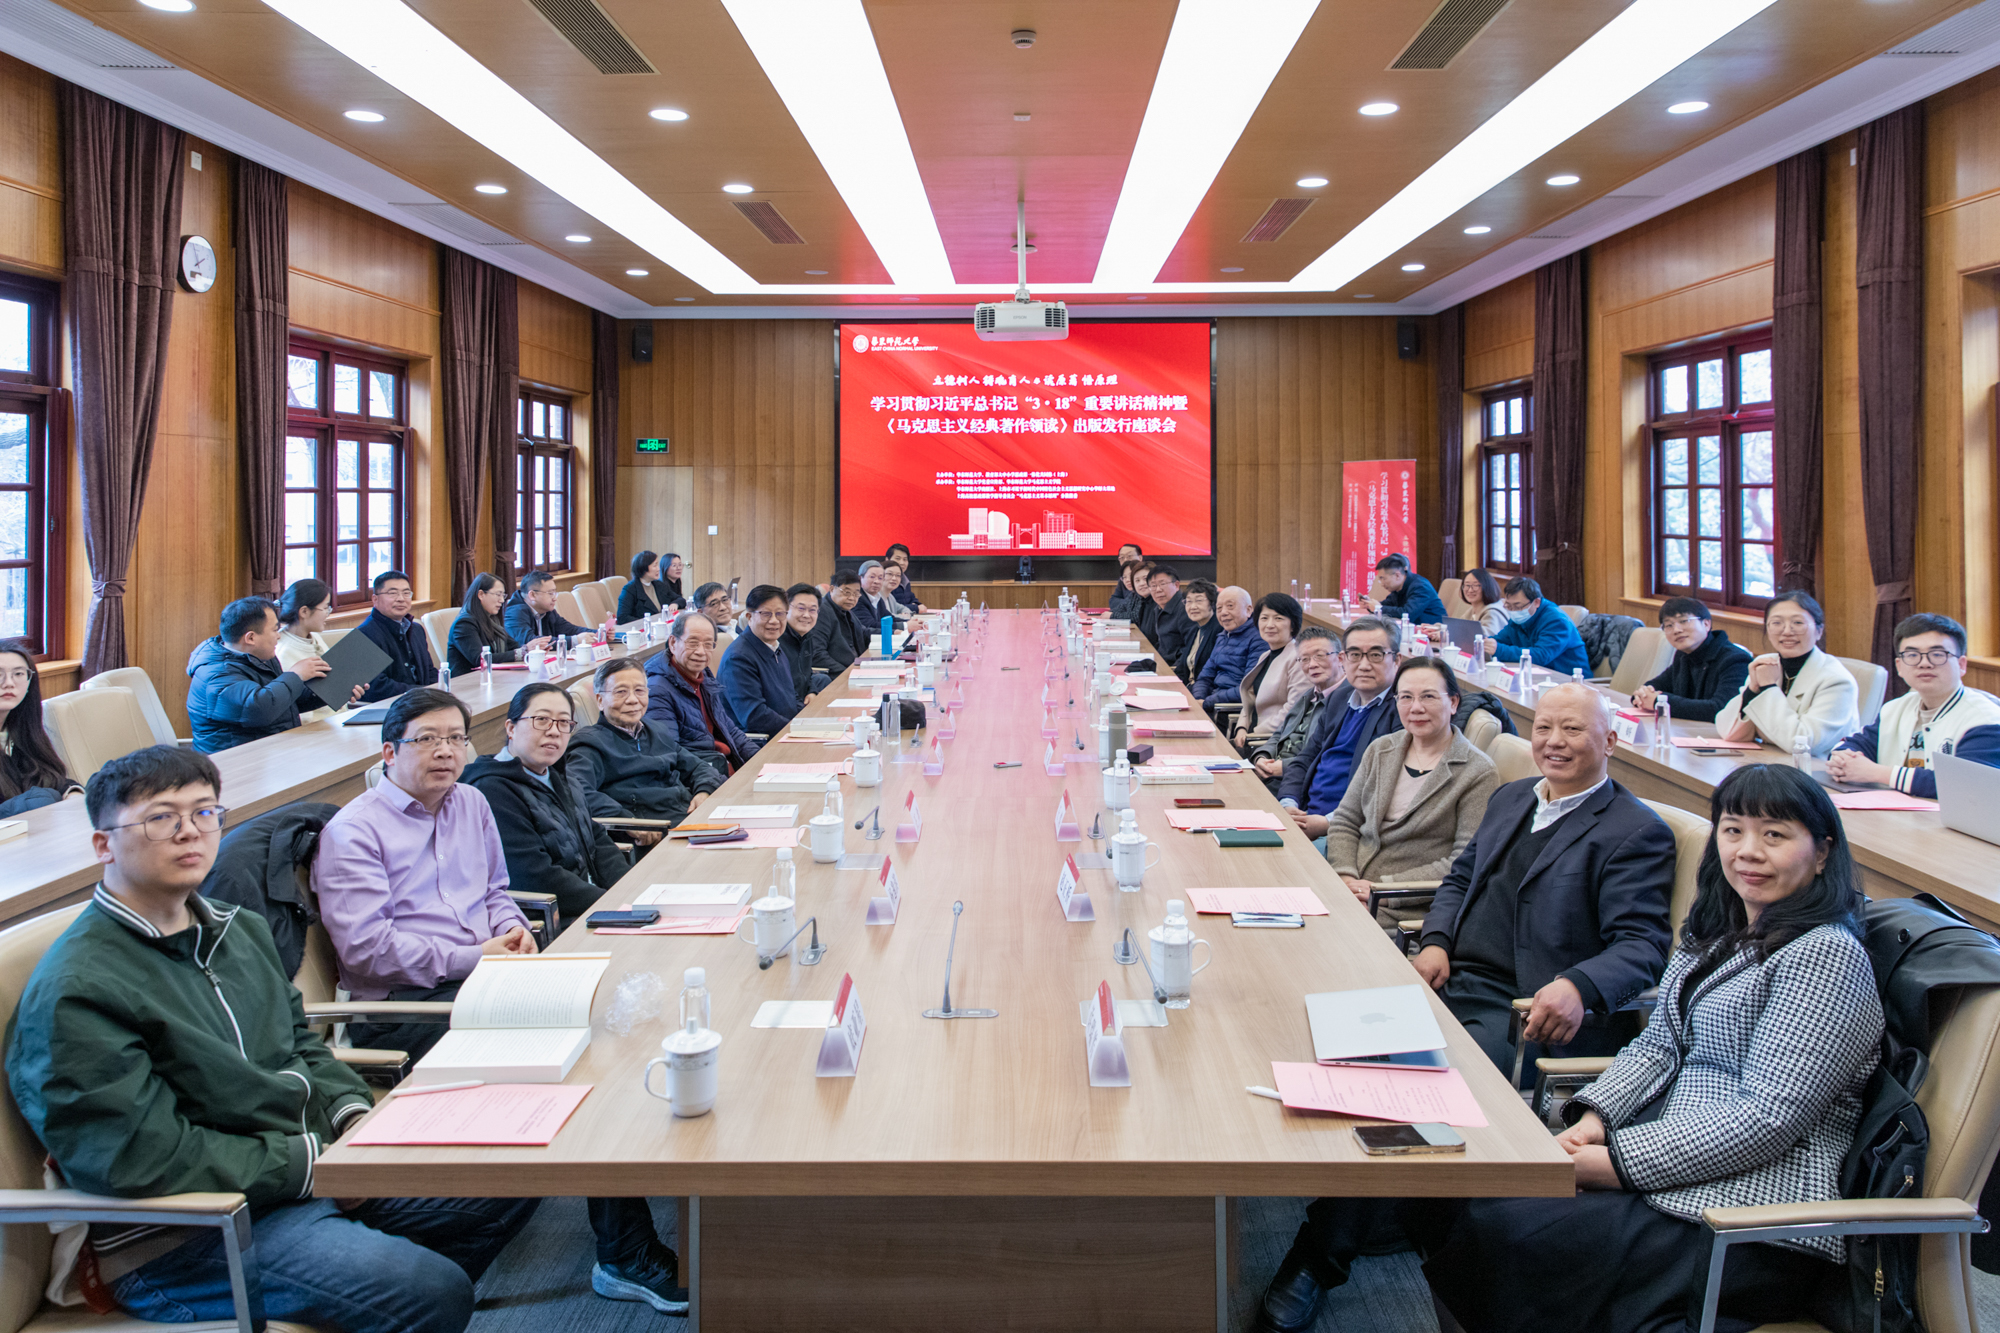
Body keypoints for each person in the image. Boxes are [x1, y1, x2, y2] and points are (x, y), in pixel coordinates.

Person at [1260, 763, 1881, 1333]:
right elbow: (1657, 1047)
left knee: (1504, 1232)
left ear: (1823, 852)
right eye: (1734, 830)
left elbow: (1766, 1119)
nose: (1748, 851)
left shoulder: (1825, 955)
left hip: (1746, 1213)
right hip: (1668, 1162)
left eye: (1775, 836)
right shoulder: (1721, 932)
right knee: (1455, 1203)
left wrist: (1614, 1162)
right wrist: (1594, 1119)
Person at [5, 744, 539, 1333]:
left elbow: (301, 1044)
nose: (190, 832)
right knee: (429, 1290)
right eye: (161, 818)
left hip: (297, 1172)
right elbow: (139, 1158)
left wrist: (351, 1117)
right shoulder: (78, 987)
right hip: (188, 1235)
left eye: (204, 812)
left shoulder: (236, 929)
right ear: (103, 845)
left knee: (509, 1176)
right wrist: (312, 1163)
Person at [313, 689, 688, 1315]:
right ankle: (624, 1254)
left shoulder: (471, 803)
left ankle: (631, 1215)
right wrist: (476, 956)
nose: (445, 752)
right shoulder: (354, 831)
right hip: (406, 1007)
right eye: (426, 740)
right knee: (586, 1061)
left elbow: (494, 891)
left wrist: (513, 928)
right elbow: (368, 952)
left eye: (455, 739)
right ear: (389, 751)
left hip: (487, 978)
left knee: (614, 1021)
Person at [1413, 682, 1674, 1078]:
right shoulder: (1511, 797)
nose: (1554, 741)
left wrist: (1578, 986)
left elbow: (1643, 945)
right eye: (1543, 728)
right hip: (1451, 978)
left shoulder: (1636, 831)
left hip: (1527, 1010)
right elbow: (1461, 879)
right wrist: (1435, 941)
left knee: (1436, 1076)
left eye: (1572, 729)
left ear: (1609, 742)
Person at [1325, 657, 1500, 919]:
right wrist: (1346, 878)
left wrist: (1381, 891)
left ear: (1453, 703)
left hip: (1405, 907)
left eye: (1428, 696)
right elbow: (1345, 821)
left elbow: (1464, 861)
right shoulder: (1381, 749)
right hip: (1350, 890)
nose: (1416, 708)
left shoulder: (1478, 771)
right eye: (1406, 697)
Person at [462, 682, 631, 920]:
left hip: (594, 904)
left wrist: (630, 891)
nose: (554, 731)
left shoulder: (558, 774)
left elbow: (596, 839)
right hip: (554, 919)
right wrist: (612, 904)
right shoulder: (492, 790)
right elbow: (534, 876)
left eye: (564, 722)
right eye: (541, 720)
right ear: (511, 728)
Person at [1827, 612, 2000, 795]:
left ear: (1961, 665)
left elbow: (1967, 783)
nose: (1924, 663)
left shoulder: (1986, 719)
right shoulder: (1894, 708)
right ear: (1899, 666)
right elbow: (1855, 744)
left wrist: (1877, 773)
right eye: (1912, 655)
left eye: (1937, 654)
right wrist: (1842, 759)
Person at [570, 657, 723, 839]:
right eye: (621, 692)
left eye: (639, 691)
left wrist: (704, 791)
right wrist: (625, 820)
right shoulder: (588, 744)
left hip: (688, 818)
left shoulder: (656, 731)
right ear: (600, 700)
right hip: (652, 832)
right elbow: (577, 791)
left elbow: (698, 767)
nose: (633, 700)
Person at [1278, 617, 1403, 837]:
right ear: (1343, 659)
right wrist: (1288, 803)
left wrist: (1328, 823)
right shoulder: (1339, 698)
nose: (1364, 665)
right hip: (1305, 815)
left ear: (1396, 660)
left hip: (1348, 829)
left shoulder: (1403, 710)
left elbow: (1387, 791)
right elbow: (1306, 758)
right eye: (1355, 655)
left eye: (1375, 655)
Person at [186, 596, 356, 753]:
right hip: (233, 764)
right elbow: (260, 709)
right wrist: (295, 675)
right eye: (275, 630)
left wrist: (335, 689)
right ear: (251, 638)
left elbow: (285, 702)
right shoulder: (216, 674)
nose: (279, 636)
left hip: (271, 752)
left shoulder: (260, 656)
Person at [1715, 590, 1860, 758]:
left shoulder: (1837, 680)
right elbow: (1730, 733)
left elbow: (1803, 744)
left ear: (1819, 631)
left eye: (1798, 623)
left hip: (1816, 767)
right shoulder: (1765, 664)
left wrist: (1768, 688)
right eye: (1777, 623)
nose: (1787, 631)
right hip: (1770, 760)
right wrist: (1752, 690)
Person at [646, 610, 760, 781]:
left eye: (708, 644)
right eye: (693, 643)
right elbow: (670, 755)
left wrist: (761, 760)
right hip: (704, 778)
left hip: (724, 768)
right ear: (673, 643)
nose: (701, 652)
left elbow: (730, 730)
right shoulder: (657, 690)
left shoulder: (703, 676)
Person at [1630, 595, 1752, 723]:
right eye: (1669, 625)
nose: (1676, 630)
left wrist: (1659, 702)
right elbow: (1656, 685)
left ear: (1706, 624)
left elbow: (1721, 709)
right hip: (1691, 730)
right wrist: (1641, 695)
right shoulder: (1683, 655)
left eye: (1684, 621)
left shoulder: (1735, 660)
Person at [1247, 626, 1342, 789]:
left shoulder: (1348, 701)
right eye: (1304, 659)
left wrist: (1284, 767)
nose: (1312, 665)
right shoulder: (1308, 694)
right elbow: (1280, 733)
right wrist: (1262, 756)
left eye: (1319, 656)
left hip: (1300, 783)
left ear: (1341, 658)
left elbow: (1331, 758)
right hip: (1273, 774)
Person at [0, 638, 81, 816]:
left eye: (18, 674)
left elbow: (50, 777)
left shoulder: (18, 732)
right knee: (41, 799)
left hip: (31, 827)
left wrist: (72, 793)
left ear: (30, 681)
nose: (9, 683)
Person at [1232, 592, 1311, 752]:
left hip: (1271, 742)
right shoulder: (1266, 655)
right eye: (1264, 618)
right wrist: (1241, 727)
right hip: (1250, 737)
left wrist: (1254, 733)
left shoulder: (1299, 658)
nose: (1269, 625)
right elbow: (1250, 698)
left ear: (1293, 624)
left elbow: (1294, 710)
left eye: (1278, 618)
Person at [719, 584, 802, 736]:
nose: (774, 621)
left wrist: (809, 721)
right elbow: (754, 717)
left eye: (780, 614)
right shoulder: (738, 658)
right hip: (759, 742)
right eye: (766, 614)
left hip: (784, 732)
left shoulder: (774, 646)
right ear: (749, 617)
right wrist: (796, 729)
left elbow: (791, 698)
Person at [353, 569, 436, 699]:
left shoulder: (417, 629)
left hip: (422, 700)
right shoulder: (364, 634)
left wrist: (441, 690)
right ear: (375, 599)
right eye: (392, 593)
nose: (401, 599)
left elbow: (429, 671)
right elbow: (376, 686)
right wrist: (424, 692)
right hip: (391, 705)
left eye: (406, 593)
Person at [1482, 575, 1588, 675]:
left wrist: (1499, 650)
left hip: (1569, 679)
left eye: (1518, 606)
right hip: (1537, 675)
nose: (1513, 611)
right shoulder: (1518, 619)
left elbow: (1541, 656)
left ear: (1536, 602)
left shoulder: (1557, 621)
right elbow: (1500, 639)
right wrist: (1484, 643)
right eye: (1508, 606)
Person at [449, 571, 550, 676]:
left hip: (493, 676)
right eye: (498, 594)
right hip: (469, 681)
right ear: (481, 594)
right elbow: (481, 659)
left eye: (503, 595)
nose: (502, 600)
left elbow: (513, 646)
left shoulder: (492, 620)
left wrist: (534, 649)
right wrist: (524, 651)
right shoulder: (464, 624)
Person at [275, 578, 337, 723]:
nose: (328, 613)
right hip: (313, 728)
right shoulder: (283, 651)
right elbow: (296, 711)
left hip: (334, 719)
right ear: (304, 611)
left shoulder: (314, 637)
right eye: (325, 608)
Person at [1191, 586, 1260, 705]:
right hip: (1212, 702)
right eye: (1219, 608)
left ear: (1248, 610)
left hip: (1230, 708)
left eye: (1230, 606)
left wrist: (1207, 702)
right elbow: (1205, 677)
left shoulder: (1258, 638)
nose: (1223, 612)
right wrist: (1198, 699)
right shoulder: (1223, 636)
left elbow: (1248, 688)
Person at [808, 570, 869, 677]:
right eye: (846, 592)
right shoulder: (822, 611)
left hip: (854, 669)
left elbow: (864, 633)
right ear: (832, 589)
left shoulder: (846, 610)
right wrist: (846, 674)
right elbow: (817, 654)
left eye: (856, 594)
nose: (852, 598)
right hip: (837, 675)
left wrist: (893, 632)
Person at [504, 569, 588, 645]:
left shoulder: (547, 611)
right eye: (550, 593)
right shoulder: (515, 613)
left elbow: (571, 630)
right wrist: (575, 640)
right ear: (532, 595)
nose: (555, 598)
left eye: (555, 593)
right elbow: (531, 642)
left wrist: (594, 634)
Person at [1364, 552, 1447, 626]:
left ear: (1397, 575)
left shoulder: (1420, 586)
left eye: (1383, 578)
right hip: (1413, 628)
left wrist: (1379, 608)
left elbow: (1408, 613)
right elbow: (1388, 605)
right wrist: (1369, 605)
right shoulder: (1398, 588)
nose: (1381, 583)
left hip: (1433, 631)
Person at [781, 581, 830, 701]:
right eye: (801, 608)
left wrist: (812, 691)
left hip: (802, 697)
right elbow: (782, 688)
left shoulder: (807, 636)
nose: (807, 615)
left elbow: (807, 674)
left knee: (823, 680)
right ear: (786, 608)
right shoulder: (776, 640)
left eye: (812, 610)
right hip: (788, 703)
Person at [1145, 564, 1195, 666]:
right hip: (1162, 662)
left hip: (1175, 668)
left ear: (1176, 585)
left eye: (1162, 584)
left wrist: (1173, 671)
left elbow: (1190, 649)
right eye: (1153, 586)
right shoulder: (1158, 608)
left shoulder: (1185, 609)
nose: (1158, 589)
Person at [1175, 579, 1221, 685]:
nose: (1193, 607)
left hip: (1202, 690)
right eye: (1189, 601)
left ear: (1212, 603)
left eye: (1199, 600)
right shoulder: (1194, 630)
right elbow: (1182, 669)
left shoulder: (1219, 630)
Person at [617, 550, 672, 623]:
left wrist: (675, 604)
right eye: (655, 565)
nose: (658, 569)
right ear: (643, 567)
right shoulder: (630, 589)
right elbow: (622, 617)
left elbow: (679, 599)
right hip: (641, 628)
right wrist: (647, 622)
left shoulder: (659, 585)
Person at [850, 562, 894, 646]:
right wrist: (904, 626)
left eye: (880, 578)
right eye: (872, 577)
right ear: (860, 578)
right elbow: (870, 625)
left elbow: (888, 617)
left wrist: (908, 622)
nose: (876, 581)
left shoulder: (877, 597)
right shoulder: (857, 598)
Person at [691, 580, 739, 650]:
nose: (723, 608)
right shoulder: (710, 640)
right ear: (700, 612)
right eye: (714, 604)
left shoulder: (734, 626)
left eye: (725, 600)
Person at [884, 543, 924, 613]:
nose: (902, 563)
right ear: (887, 560)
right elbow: (892, 607)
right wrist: (915, 607)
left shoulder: (905, 580)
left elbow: (911, 597)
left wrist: (917, 604)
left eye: (905, 559)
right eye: (898, 558)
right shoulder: (884, 580)